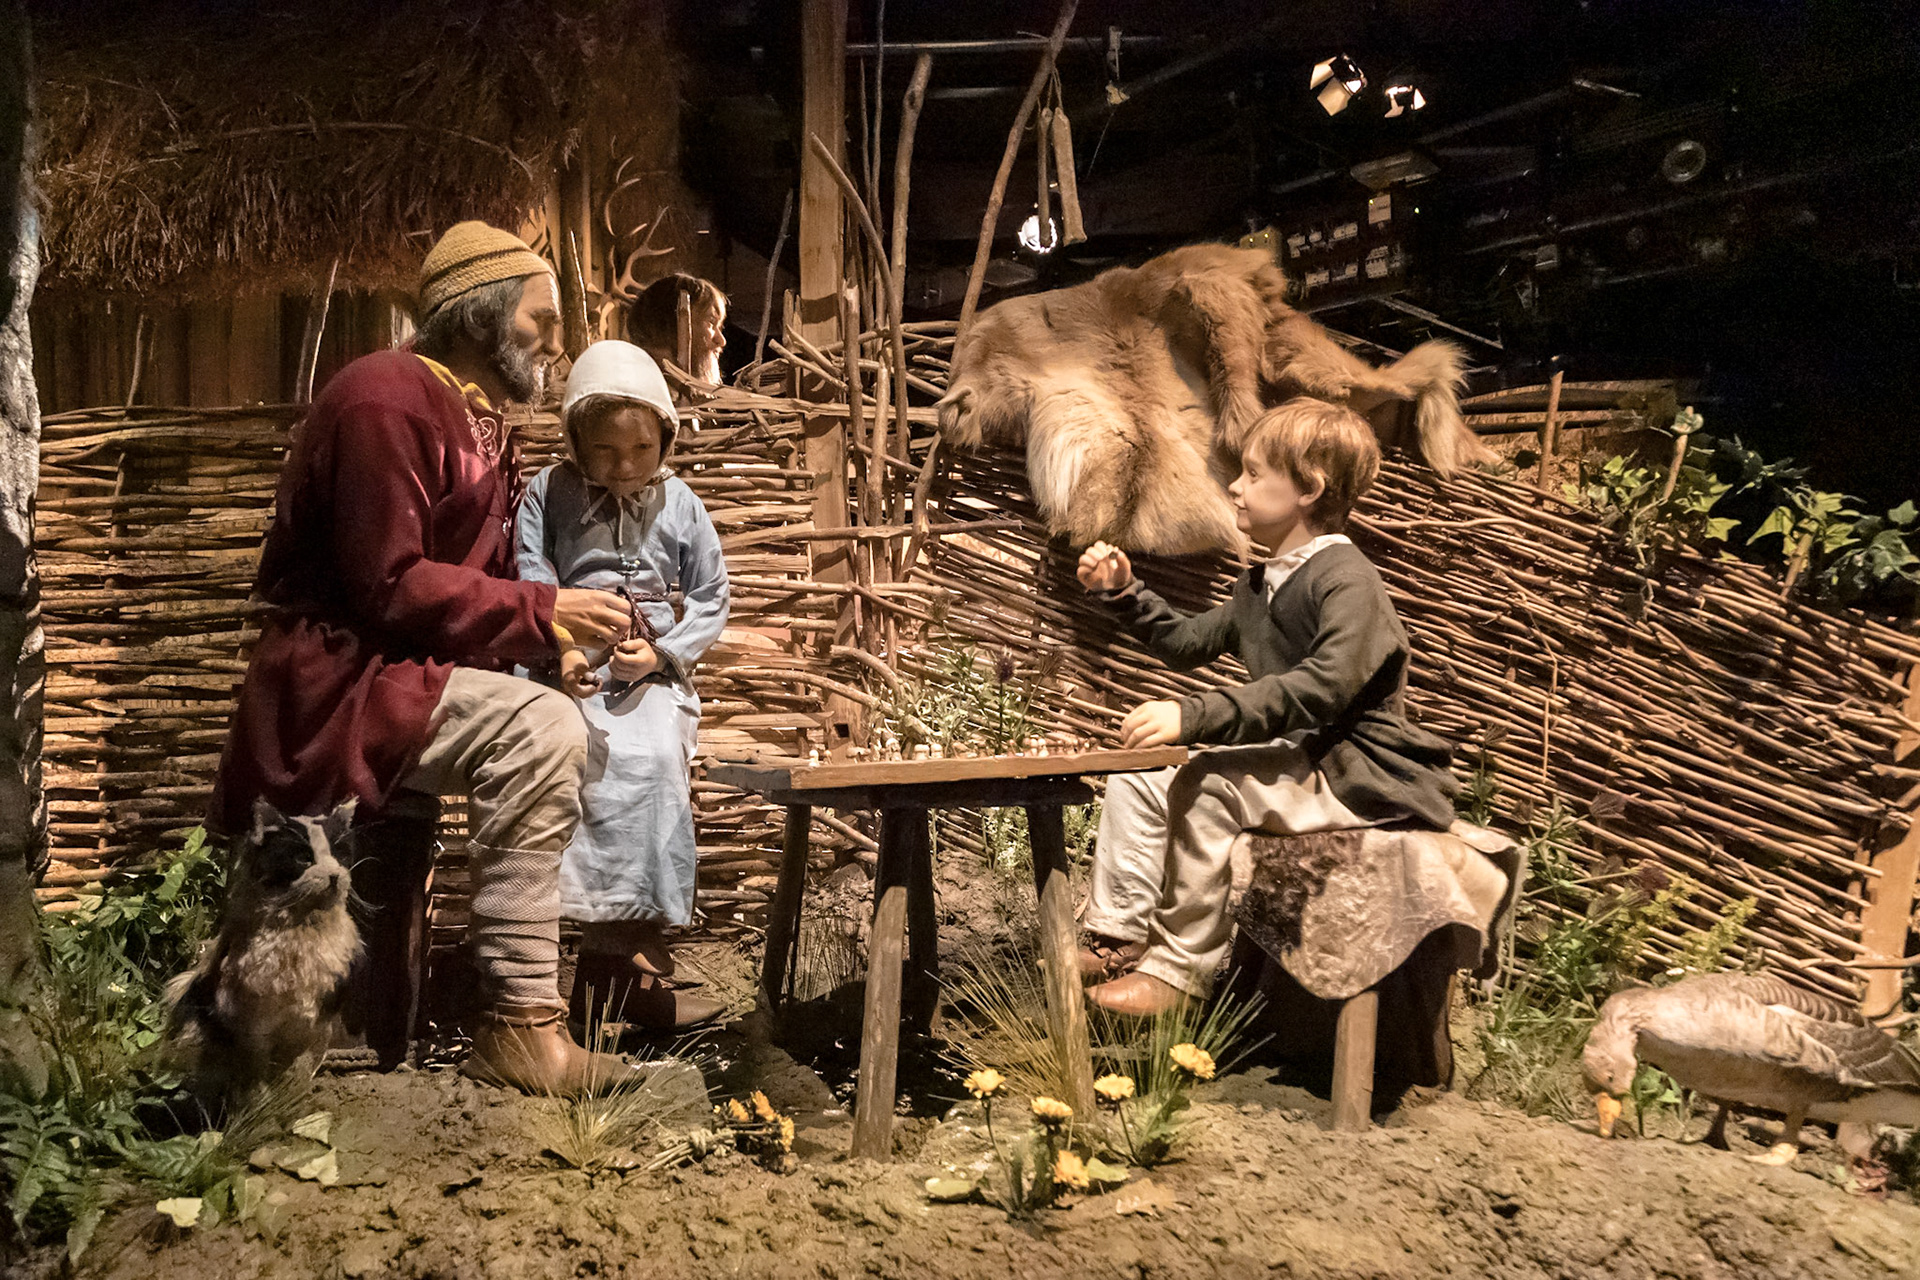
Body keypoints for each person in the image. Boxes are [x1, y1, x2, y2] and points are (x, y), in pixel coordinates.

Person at [211, 221, 638, 1093]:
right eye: (540, 320)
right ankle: (522, 1021)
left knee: (560, 718)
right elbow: (390, 583)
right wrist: (542, 611)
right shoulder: (384, 398)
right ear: (480, 317)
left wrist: (550, 641)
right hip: (339, 679)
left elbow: (483, 582)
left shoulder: (477, 422)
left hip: (405, 674)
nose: (557, 344)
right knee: (540, 734)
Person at [1074, 397, 1459, 1016]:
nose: (1235, 486)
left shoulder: (1346, 580)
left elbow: (1324, 685)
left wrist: (1194, 717)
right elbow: (1187, 642)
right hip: (1300, 763)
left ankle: (1178, 973)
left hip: (1355, 773)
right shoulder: (1262, 583)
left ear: (1308, 488)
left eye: (1254, 474)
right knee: (1141, 778)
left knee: (1209, 782)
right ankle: (1122, 936)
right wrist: (1125, 593)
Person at [516, 340, 730, 1033]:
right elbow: (531, 573)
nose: (625, 465)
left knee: (654, 759)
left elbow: (711, 594)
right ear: (576, 440)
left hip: (648, 676)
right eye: (605, 450)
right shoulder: (548, 493)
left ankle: (616, 972)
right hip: (569, 670)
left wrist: (662, 654)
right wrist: (564, 646)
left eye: (641, 448)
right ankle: (593, 976)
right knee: (573, 761)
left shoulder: (683, 504)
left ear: (664, 435)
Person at [624, 273, 727, 386]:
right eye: (711, 322)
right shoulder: (636, 395)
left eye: (719, 327)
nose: (721, 341)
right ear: (670, 325)